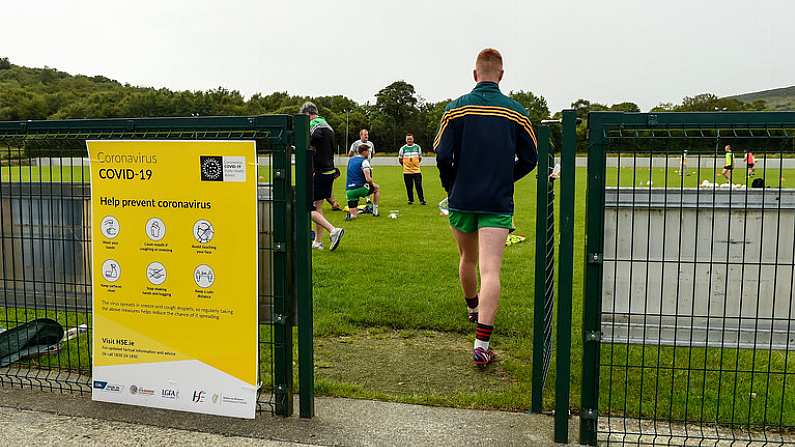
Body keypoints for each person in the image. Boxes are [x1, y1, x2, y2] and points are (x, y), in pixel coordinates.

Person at [435, 48, 537, 367]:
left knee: (467, 258)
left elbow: (440, 156)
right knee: (490, 270)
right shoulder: (516, 112)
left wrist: (452, 185)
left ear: (475, 74)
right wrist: (507, 176)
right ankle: (481, 344)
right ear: (501, 75)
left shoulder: (455, 110)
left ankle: (471, 308)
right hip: (496, 200)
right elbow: (532, 158)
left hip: (461, 199)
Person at [300, 102, 345, 251]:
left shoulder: (315, 124)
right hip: (329, 172)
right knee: (318, 207)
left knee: (307, 207)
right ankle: (318, 242)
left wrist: (306, 143)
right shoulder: (328, 125)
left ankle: (333, 230)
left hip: (319, 172)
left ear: (308, 114)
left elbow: (316, 137)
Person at [345, 144, 380, 220]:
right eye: (368, 151)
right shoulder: (364, 161)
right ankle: (375, 211)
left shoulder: (351, 160)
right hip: (360, 188)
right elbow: (368, 179)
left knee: (354, 216)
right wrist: (372, 184)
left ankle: (351, 215)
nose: (369, 153)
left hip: (349, 191)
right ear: (364, 152)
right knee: (377, 188)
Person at [398, 133, 426, 205]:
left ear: (413, 139)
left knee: (419, 186)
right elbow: (400, 159)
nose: (409, 140)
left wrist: (415, 164)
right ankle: (410, 200)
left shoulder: (417, 147)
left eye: (410, 139)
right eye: (408, 139)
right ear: (406, 140)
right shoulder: (403, 148)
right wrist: (405, 166)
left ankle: (422, 200)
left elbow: (419, 158)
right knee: (409, 187)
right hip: (407, 172)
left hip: (417, 171)